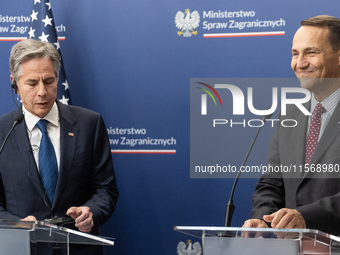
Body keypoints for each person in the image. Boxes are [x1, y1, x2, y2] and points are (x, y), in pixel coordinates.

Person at [0, 39, 118, 254]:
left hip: (78, 249)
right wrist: (14, 223)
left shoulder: (89, 124)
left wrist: (91, 212)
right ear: (14, 84)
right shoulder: (2, 132)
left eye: (49, 81)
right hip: (21, 248)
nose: (42, 92)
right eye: (32, 83)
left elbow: (106, 189)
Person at [243, 15, 340, 235]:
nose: (300, 63)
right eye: (295, 54)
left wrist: (305, 217)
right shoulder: (290, 114)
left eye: (311, 52)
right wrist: (263, 219)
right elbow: (271, 183)